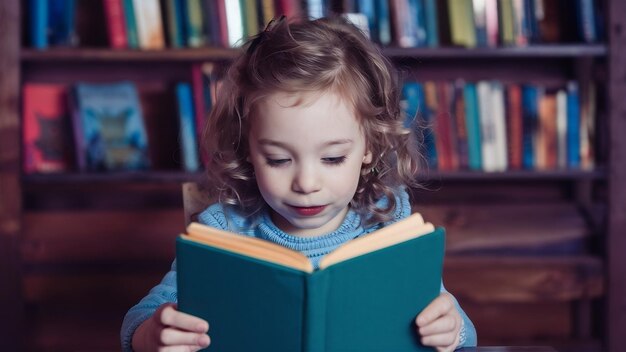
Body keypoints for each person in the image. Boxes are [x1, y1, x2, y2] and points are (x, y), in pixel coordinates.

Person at [121, 15, 477, 352]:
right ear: (247, 148)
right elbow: (142, 315)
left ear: (370, 146)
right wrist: (151, 334)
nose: (306, 183)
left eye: (333, 158)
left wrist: (451, 327)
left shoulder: (389, 223)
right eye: (278, 159)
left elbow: (456, 323)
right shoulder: (223, 230)